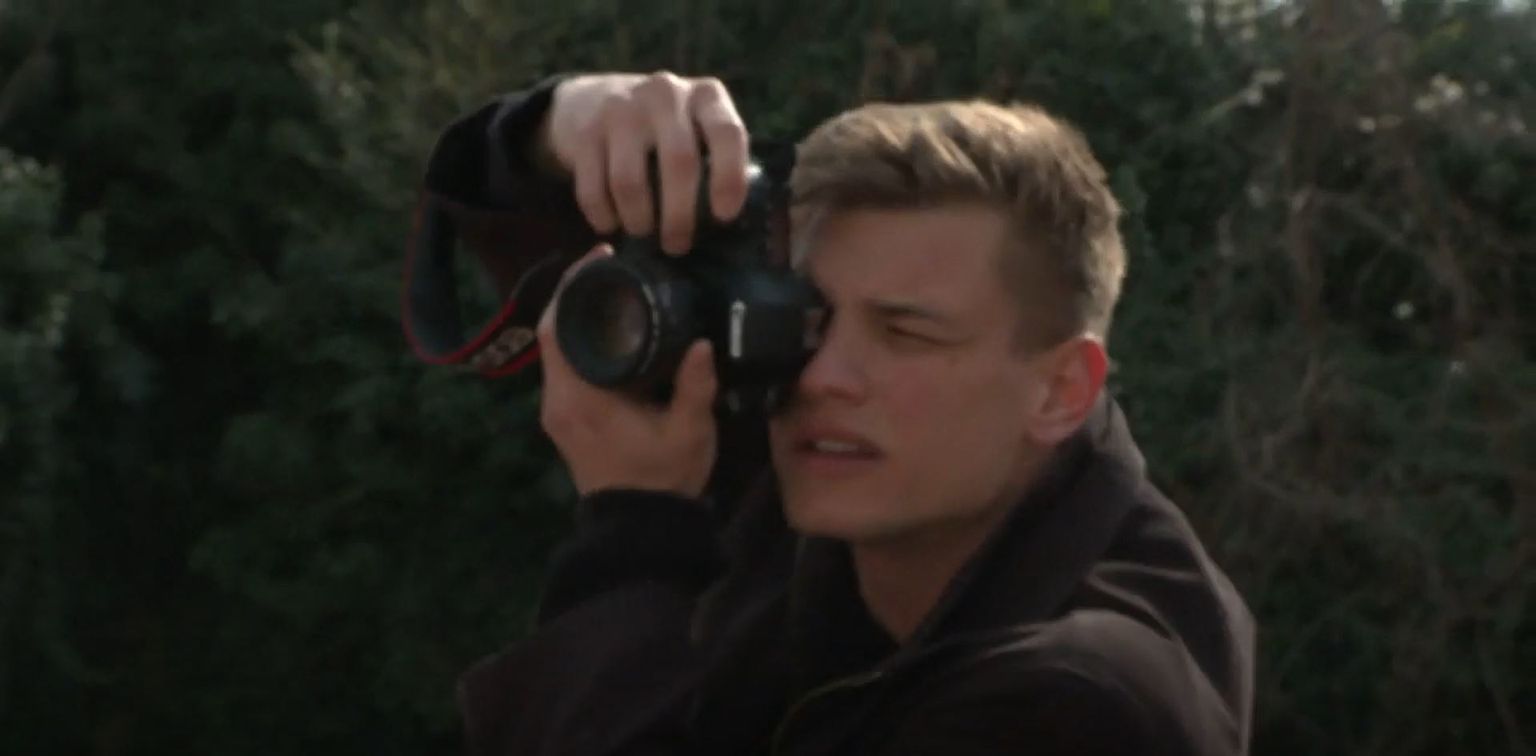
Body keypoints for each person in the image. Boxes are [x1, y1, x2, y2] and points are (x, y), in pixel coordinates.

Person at [413, 71, 1256, 756]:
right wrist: (567, 119)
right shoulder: (882, 459)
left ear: (1062, 389)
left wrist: (631, 530)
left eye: (906, 334)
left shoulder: (1082, 701)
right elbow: (506, 215)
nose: (824, 376)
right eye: (809, 317)